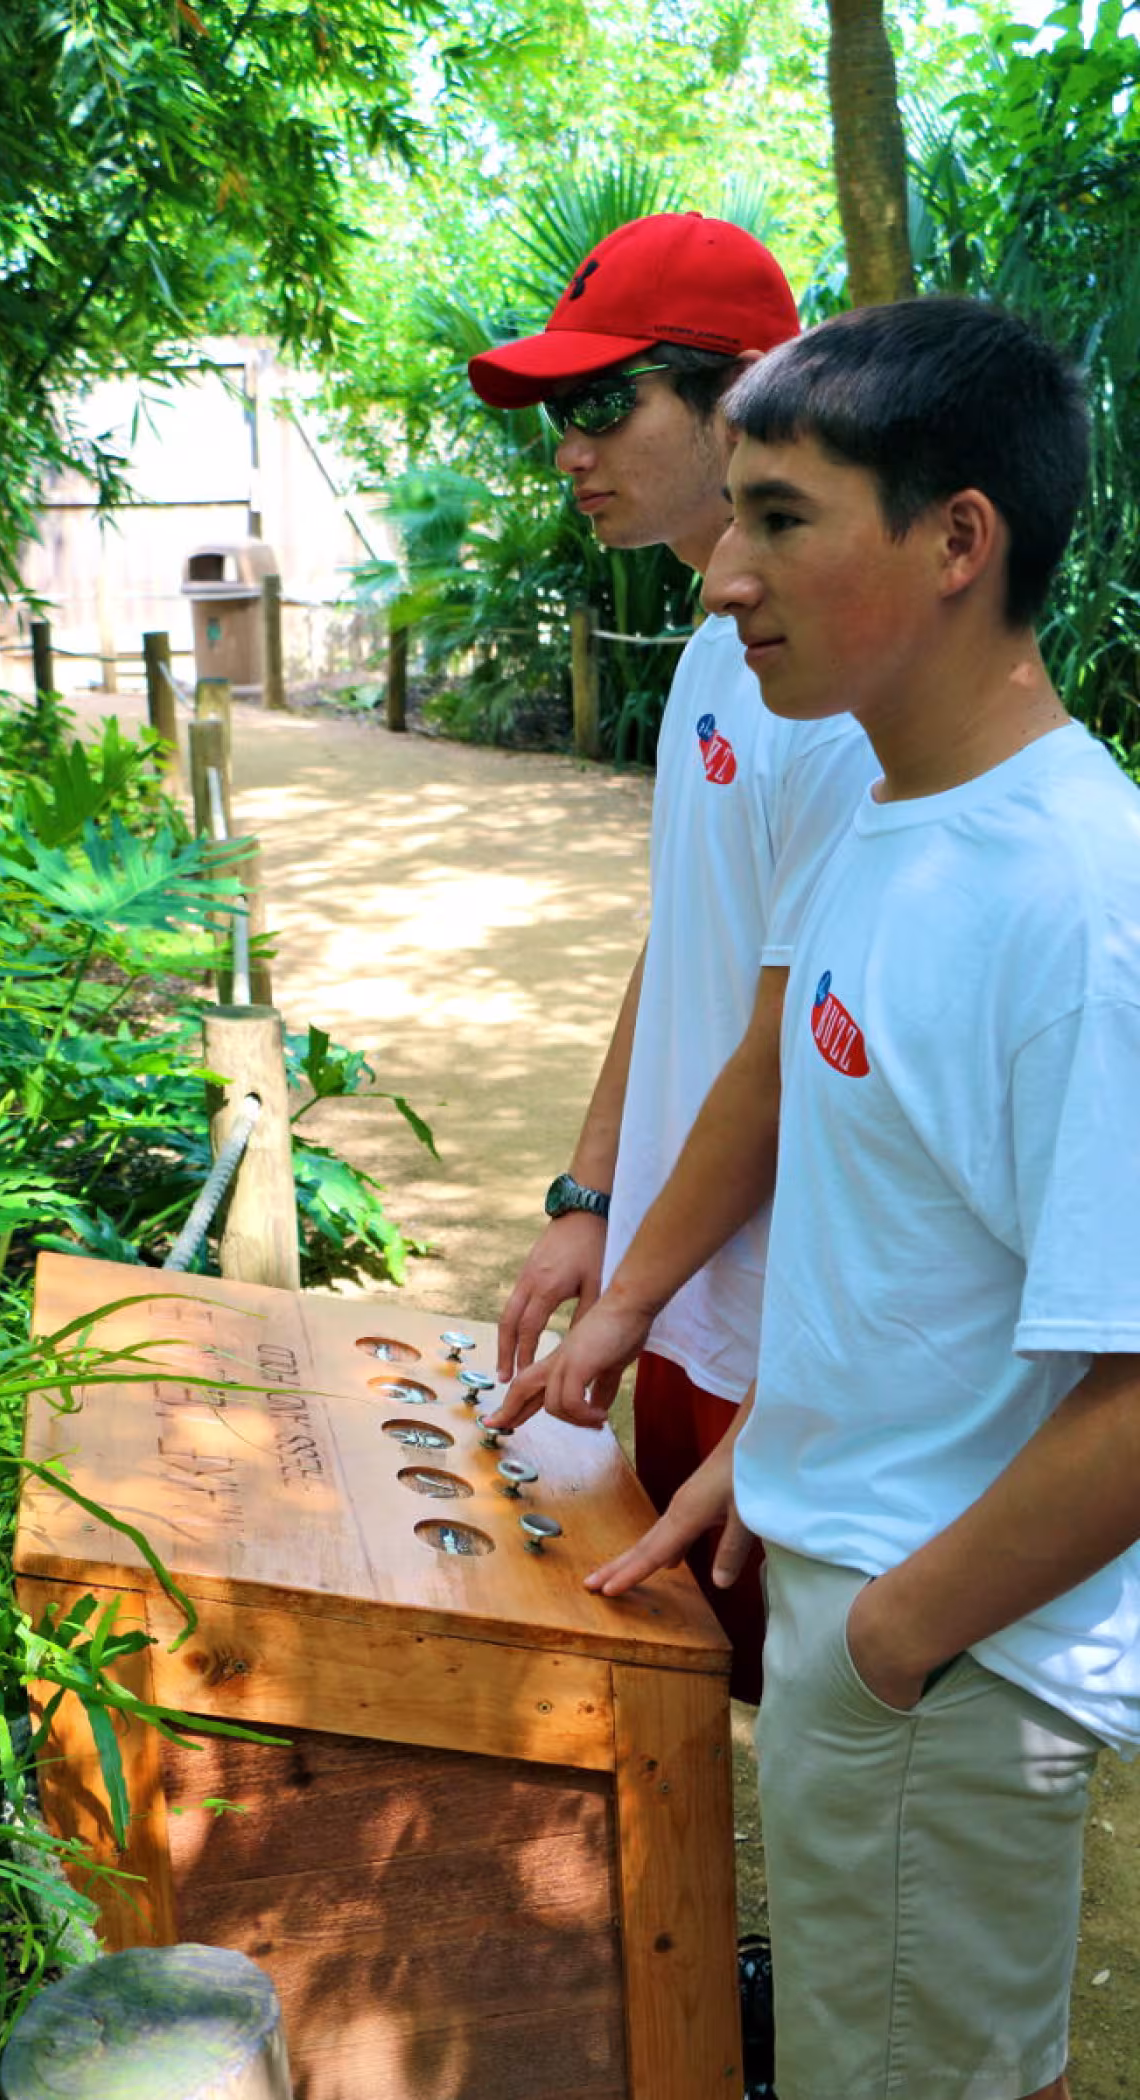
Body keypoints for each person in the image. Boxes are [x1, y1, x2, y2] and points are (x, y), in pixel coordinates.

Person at [589, 296, 1140, 2100]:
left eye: (782, 517)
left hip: (944, 1657)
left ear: (959, 538)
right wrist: (787, 1448)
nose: (725, 574)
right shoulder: (897, 818)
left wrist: (896, 1637)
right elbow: (923, 1243)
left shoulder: (1076, 902)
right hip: (863, 1591)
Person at [469, 212, 877, 1702]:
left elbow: (798, 1034)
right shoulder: (723, 634)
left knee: (830, 1697)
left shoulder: (836, 678)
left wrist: (637, 1280)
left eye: (602, 403)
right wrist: (593, 1198)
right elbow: (688, 931)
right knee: (708, 1676)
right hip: (688, 1284)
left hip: (795, 1319)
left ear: (752, 388)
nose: (568, 449)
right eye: (556, 414)